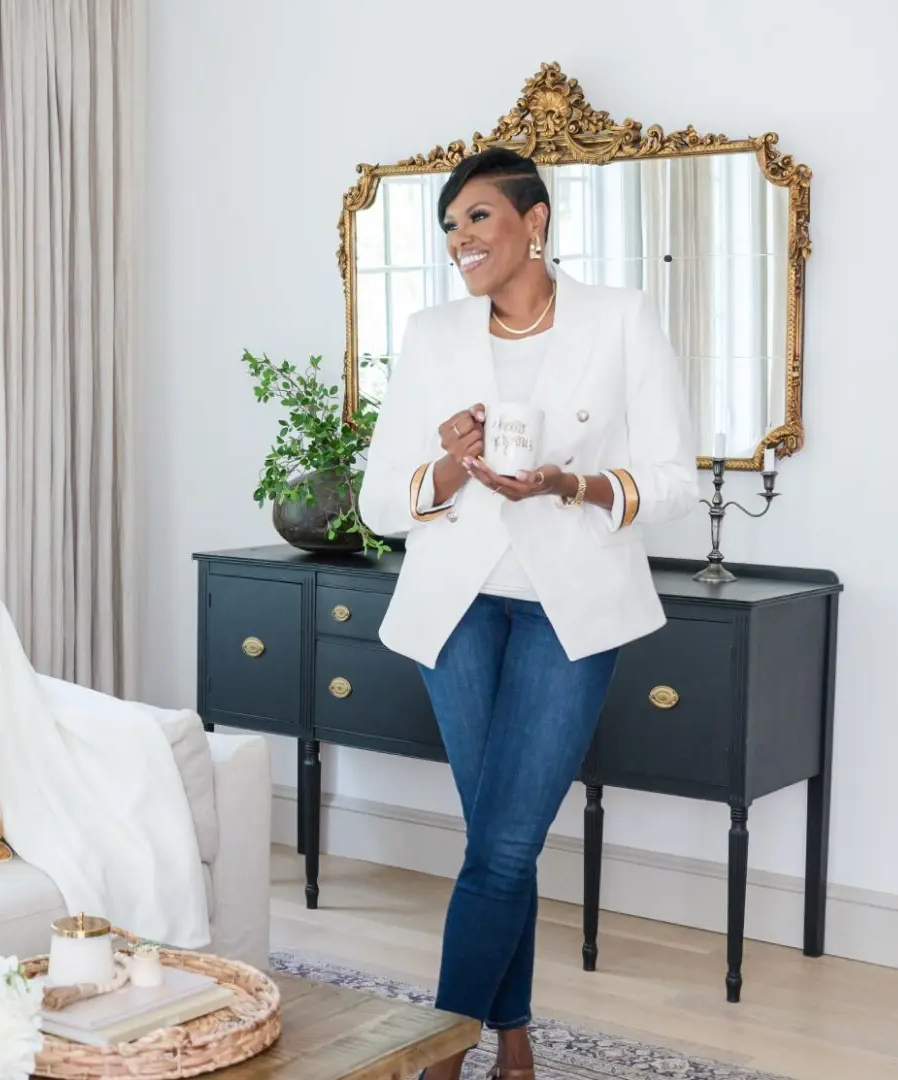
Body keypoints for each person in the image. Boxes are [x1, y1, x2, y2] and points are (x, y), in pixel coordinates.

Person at [357, 147, 698, 1080]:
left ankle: (440, 1049)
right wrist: (449, 467)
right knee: (499, 837)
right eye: (451, 227)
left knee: (504, 839)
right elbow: (381, 501)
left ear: (534, 220)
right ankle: (512, 1040)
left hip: (569, 611)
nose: (460, 240)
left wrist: (573, 482)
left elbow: (675, 478)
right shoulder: (432, 336)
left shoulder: (619, 320)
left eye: (478, 219)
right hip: (456, 611)